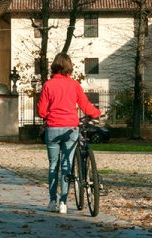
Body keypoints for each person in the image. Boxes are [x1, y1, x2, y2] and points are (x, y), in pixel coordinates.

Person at [37, 52, 101, 214]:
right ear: (69, 67)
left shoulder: (48, 85)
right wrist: (96, 114)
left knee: (53, 166)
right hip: (71, 129)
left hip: (52, 129)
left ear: (55, 66)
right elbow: (86, 106)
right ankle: (64, 203)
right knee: (66, 166)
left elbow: (41, 111)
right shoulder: (74, 85)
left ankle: (52, 201)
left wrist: (49, 115)